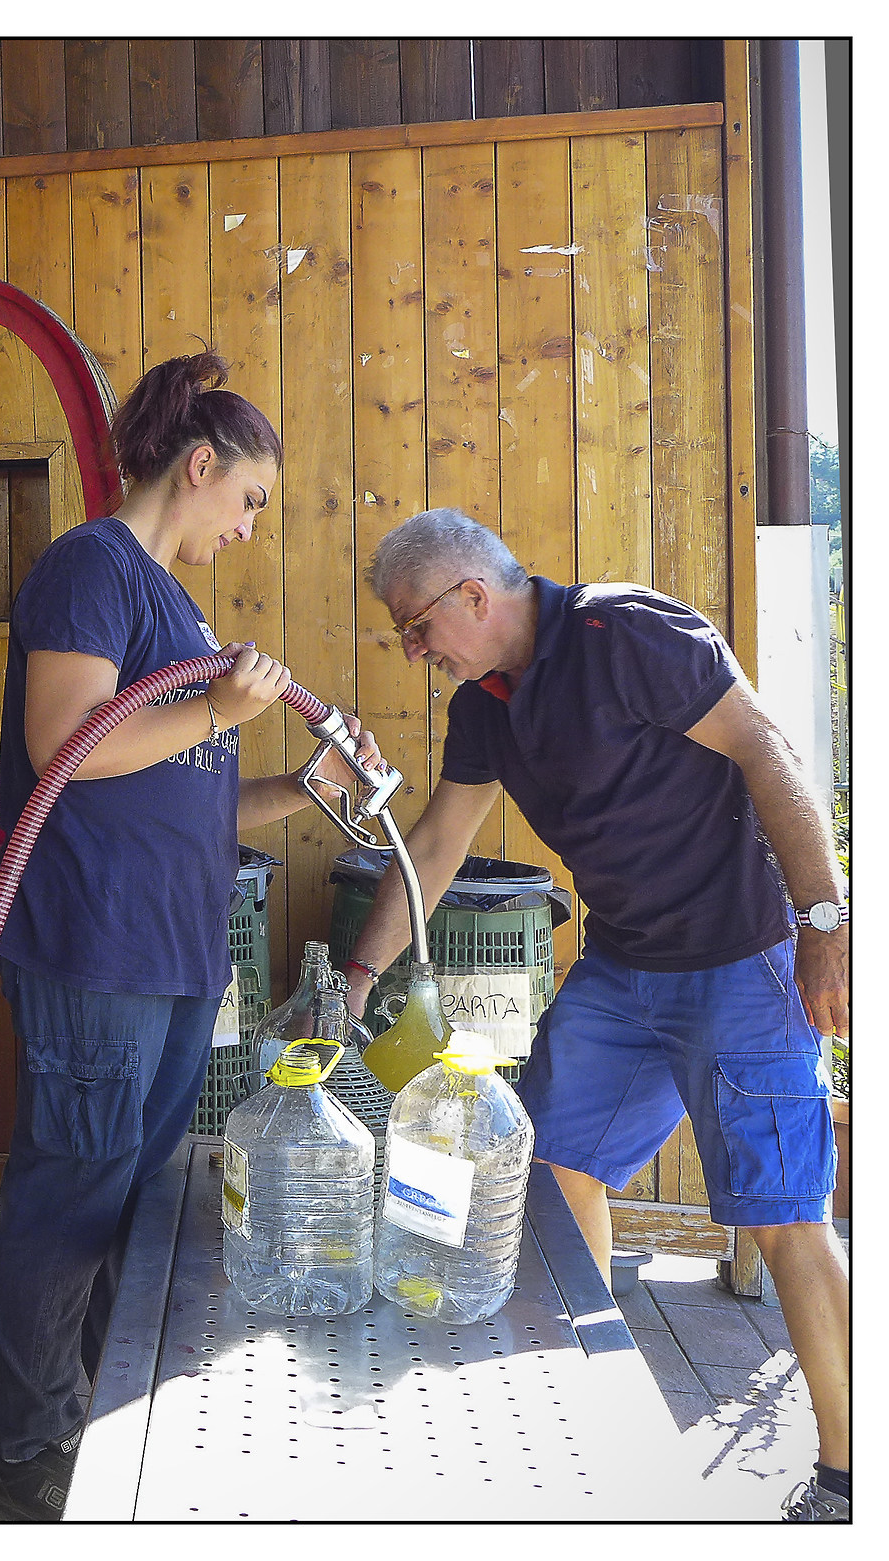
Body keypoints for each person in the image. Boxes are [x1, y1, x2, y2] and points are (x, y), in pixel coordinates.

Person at [340, 508, 851, 1523]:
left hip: (743, 956)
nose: (412, 650)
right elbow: (437, 842)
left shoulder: (629, 635)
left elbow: (766, 747)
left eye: (414, 625)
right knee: (548, 1161)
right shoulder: (487, 704)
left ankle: (850, 1473)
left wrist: (827, 918)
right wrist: (357, 973)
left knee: (783, 1211)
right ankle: (595, 1405)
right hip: (624, 965)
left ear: (472, 597)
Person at [0, 351, 382, 1522]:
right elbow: (67, 744)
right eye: (248, 498)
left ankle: (91, 1426)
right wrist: (213, 708)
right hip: (95, 950)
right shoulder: (90, 569)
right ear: (198, 466)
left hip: (172, 956)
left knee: (128, 1196)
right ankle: (22, 1457)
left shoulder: (176, 604)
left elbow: (185, 791)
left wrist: (300, 785)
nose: (250, 527)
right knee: (72, 1194)